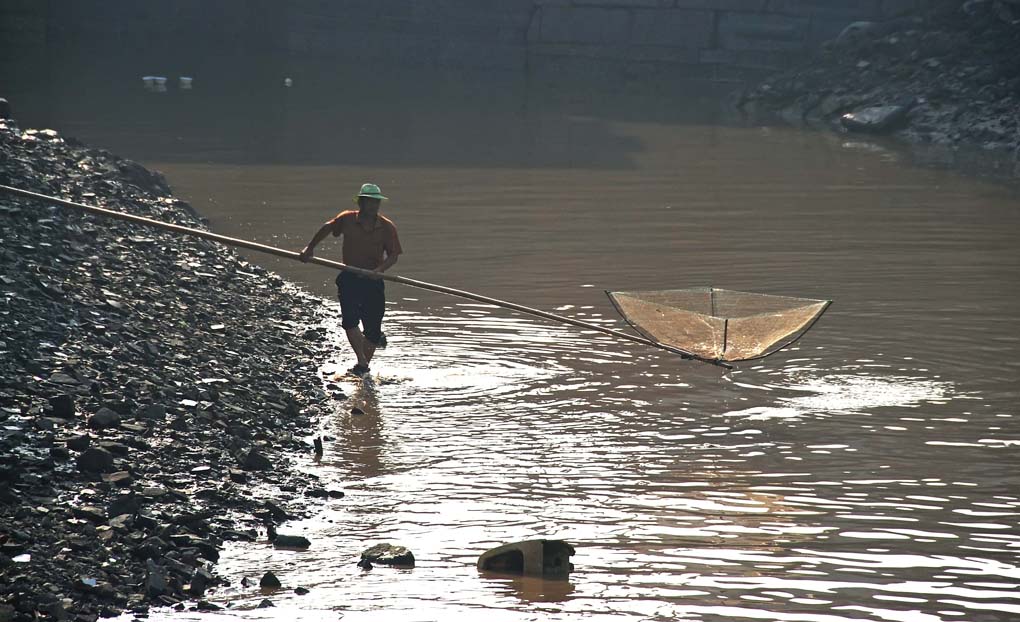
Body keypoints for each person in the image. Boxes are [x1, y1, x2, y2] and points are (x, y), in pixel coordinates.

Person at [299, 183, 402, 376]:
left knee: (373, 330)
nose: (373, 206)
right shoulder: (346, 219)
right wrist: (310, 248)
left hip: (373, 280)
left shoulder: (387, 227)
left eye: (376, 203)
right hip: (350, 277)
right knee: (350, 320)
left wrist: (379, 270)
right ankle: (362, 361)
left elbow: (394, 255)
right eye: (370, 202)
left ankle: (363, 368)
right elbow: (328, 228)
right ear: (361, 202)